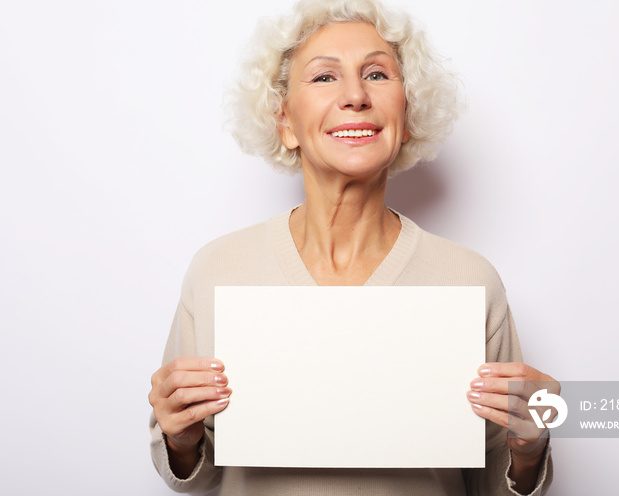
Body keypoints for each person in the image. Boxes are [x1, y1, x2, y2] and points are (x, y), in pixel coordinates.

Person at [148, 0, 558, 494]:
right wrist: (180, 437)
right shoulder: (217, 269)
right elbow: (194, 474)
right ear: (284, 121)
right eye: (323, 78)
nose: (356, 95)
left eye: (378, 74)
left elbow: (494, 482)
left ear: (407, 117)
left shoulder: (471, 280)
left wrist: (530, 448)